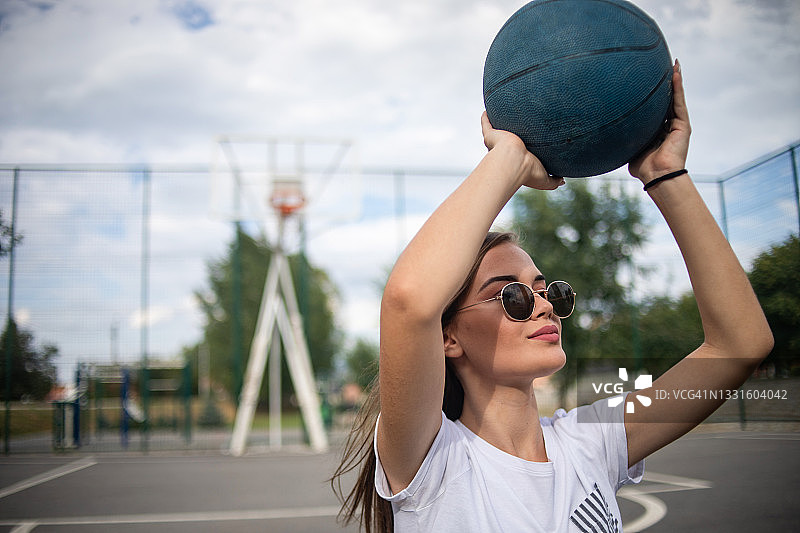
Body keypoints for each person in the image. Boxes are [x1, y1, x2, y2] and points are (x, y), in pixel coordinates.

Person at [331, 60, 773, 532]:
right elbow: (408, 302)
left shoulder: (590, 442)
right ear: (448, 338)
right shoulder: (433, 463)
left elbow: (740, 347)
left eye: (550, 292)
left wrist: (666, 175)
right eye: (513, 297)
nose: (543, 305)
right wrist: (510, 159)